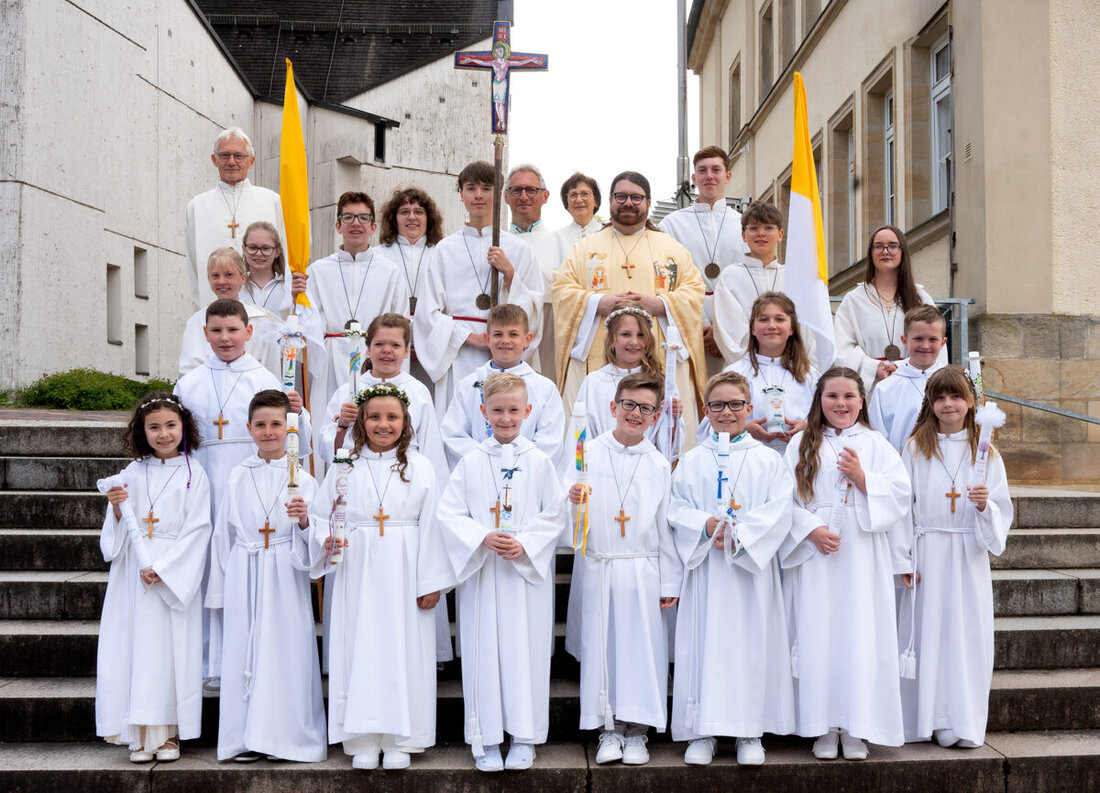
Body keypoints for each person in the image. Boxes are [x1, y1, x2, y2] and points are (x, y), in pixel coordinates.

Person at [310, 385, 455, 770]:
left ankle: (401, 738)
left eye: (392, 417)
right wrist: (326, 537)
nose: (383, 424)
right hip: (357, 565)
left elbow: (434, 525)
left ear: (406, 422)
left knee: (403, 648)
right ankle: (362, 737)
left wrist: (431, 581)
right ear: (361, 421)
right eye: (374, 416)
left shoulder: (421, 467)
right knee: (359, 645)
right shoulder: (344, 464)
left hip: (406, 567)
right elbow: (320, 514)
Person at [173, 298, 311, 689]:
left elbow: (295, 440)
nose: (225, 338)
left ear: (248, 333)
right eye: (216, 331)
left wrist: (299, 413)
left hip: (250, 488)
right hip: (203, 483)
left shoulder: (266, 379)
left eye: (233, 330)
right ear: (205, 335)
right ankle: (206, 661)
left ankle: (247, 659)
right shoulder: (189, 383)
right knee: (206, 569)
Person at [438, 373, 568, 773]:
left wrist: (526, 542)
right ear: (484, 413)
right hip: (484, 572)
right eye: (498, 411)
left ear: (528, 412)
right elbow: (449, 512)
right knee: (483, 654)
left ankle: (525, 737)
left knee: (525, 653)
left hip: (524, 575)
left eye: (514, 410)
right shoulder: (472, 462)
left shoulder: (540, 461)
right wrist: (482, 536)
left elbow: (555, 512)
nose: (506, 418)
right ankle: (486, 738)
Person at [780, 367, 911, 760]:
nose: (841, 404)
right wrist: (809, 529)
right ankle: (823, 725)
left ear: (861, 401)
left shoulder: (875, 443)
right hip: (818, 551)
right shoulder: (802, 442)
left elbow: (901, 494)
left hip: (861, 551)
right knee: (819, 633)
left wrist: (862, 478)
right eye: (832, 396)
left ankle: (857, 726)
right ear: (819, 400)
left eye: (849, 396)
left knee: (859, 634)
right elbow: (782, 497)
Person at [669, 372, 795, 766]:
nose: (727, 412)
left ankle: (748, 732)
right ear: (706, 410)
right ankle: (701, 731)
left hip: (748, 573)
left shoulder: (767, 460)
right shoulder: (691, 460)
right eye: (718, 405)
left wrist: (743, 533)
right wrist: (705, 526)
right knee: (705, 644)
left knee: (750, 647)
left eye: (735, 404)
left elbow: (780, 509)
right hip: (707, 568)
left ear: (749, 408)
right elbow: (674, 508)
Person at [315, 312, 453, 664]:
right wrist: (342, 425)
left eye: (395, 344)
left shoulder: (418, 392)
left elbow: (431, 452)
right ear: (367, 348)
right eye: (379, 344)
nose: (387, 351)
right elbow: (329, 451)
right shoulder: (349, 390)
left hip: (405, 489)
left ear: (408, 350)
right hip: (362, 496)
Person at [566, 373, 682, 767]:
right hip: (602, 565)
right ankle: (608, 729)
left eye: (645, 408)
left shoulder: (659, 465)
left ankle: (639, 731)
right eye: (629, 405)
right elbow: (567, 515)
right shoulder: (587, 454)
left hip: (643, 569)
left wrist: (670, 581)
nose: (635, 413)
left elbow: (666, 528)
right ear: (613, 407)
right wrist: (574, 501)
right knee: (604, 650)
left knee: (642, 651)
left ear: (655, 415)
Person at [206, 390, 325, 763]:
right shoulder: (237, 476)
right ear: (249, 428)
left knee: (286, 651)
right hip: (246, 568)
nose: (268, 431)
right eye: (261, 425)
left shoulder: (303, 480)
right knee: (246, 649)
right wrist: (221, 588)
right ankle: (244, 738)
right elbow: (223, 534)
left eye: (277, 424)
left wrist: (304, 519)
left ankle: (285, 738)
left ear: (290, 431)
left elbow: (318, 534)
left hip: (285, 572)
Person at [898, 367, 1012, 748]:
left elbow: (1000, 508)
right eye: (940, 397)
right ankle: (926, 719)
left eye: (956, 396)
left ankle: (960, 719)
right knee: (929, 635)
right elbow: (903, 508)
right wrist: (905, 558)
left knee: (964, 637)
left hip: (966, 555)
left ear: (970, 402)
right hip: (928, 552)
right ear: (930, 403)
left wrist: (983, 507)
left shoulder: (985, 452)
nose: (948, 404)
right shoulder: (916, 447)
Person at [96, 393, 211, 764]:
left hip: (171, 573)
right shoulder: (132, 473)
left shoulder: (196, 473)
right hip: (133, 572)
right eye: (154, 427)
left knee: (169, 653)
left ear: (184, 427)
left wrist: (164, 569)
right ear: (142, 432)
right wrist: (115, 506)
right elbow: (114, 535)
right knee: (135, 649)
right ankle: (139, 734)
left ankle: (168, 734)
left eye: (170, 425)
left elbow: (199, 529)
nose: (164, 434)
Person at [552, 170, 706, 441]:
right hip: (600, 363)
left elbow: (694, 290)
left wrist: (660, 304)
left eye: (636, 197)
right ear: (609, 201)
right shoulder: (585, 248)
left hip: (658, 359)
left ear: (648, 202)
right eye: (621, 196)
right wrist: (598, 302)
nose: (628, 203)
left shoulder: (672, 248)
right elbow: (562, 289)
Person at [414, 161, 543, 415]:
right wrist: (467, 337)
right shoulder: (444, 249)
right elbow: (428, 312)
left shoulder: (518, 249)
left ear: (499, 195)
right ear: (461, 194)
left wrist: (509, 274)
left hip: (503, 352)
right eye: (471, 188)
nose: (479, 195)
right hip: (458, 352)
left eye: (486, 188)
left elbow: (534, 309)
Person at [305, 191, 409, 414]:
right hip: (329, 361)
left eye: (363, 218)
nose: (355, 223)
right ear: (338, 226)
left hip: (373, 359)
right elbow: (309, 324)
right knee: (329, 422)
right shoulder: (317, 271)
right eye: (348, 217)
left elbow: (400, 325)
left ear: (373, 227)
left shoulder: (390, 272)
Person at [441, 303, 565, 470]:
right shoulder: (467, 385)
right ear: (487, 339)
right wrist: (486, 458)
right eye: (498, 334)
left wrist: (516, 462)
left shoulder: (545, 388)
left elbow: (550, 439)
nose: (505, 341)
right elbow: (454, 434)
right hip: (480, 471)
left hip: (526, 472)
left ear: (527, 339)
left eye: (513, 334)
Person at [659, 146, 745, 377]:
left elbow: (747, 282)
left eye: (716, 170)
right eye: (703, 170)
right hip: (685, 324)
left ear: (727, 176)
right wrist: (702, 326)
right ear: (694, 178)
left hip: (736, 327)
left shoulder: (744, 224)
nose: (710, 176)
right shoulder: (671, 225)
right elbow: (665, 283)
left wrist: (722, 330)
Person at [697, 292, 819, 453]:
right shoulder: (734, 373)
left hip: (796, 463)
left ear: (792, 329)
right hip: (747, 463)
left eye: (780, 319)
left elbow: (828, 424)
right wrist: (742, 429)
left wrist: (807, 427)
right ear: (753, 329)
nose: (771, 326)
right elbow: (707, 430)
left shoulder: (810, 375)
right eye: (763, 319)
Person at [185, 128, 288, 308]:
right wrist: (200, 308)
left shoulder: (273, 201)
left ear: (251, 161)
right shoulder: (197, 206)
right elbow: (193, 264)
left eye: (239, 156)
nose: (231, 162)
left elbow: (285, 255)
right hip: (214, 311)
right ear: (214, 160)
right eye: (224, 155)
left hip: (267, 308)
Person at [834, 226, 944, 392]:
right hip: (868, 389)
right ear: (871, 253)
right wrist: (874, 367)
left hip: (913, 386)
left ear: (902, 251)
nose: (885, 251)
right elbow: (842, 348)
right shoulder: (854, 300)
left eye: (892, 246)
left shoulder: (921, 298)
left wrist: (902, 367)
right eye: (879, 246)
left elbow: (936, 344)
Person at [572, 305, 684, 463]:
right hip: (602, 464)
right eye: (625, 334)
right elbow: (580, 434)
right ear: (612, 339)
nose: (634, 342)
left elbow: (669, 450)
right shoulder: (594, 381)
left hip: (645, 466)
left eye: (641, 335)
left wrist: (673, 419)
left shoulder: (661, 383)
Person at [375, 187, 445, 391]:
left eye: (419, 212)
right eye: (404, 212)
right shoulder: (378, 256)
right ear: (393, 218)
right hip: (390, 344)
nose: (412, 217)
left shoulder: (441, 253)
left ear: (429, 218)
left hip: (433, 344)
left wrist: (422, 341)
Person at [178, 248, 285, 378]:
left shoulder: (262, 321)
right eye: (215, 276)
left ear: (243, 278)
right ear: (209, 279)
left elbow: (271, 372)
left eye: (229, 275)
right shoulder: (196, 321)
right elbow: (189, 372)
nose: (221, 281)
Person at [711, 201, 795, 367]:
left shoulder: (792, 276)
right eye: (754, 228)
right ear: (743, 235)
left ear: (780, 234)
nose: (761, 234)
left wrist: (789, 362)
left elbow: (804, 330)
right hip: (747, 370)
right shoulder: (731, 277)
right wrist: (757, 364)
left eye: (769, 228)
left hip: (790, 367)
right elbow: (729, 333)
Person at [505, 164, 561, 381]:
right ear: (506, 197)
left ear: (545, 196)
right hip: (505, 335)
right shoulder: (495, 242)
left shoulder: (561, 242)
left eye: (531, 190)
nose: (524, 196)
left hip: (549, 333)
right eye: (516, 190)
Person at [868, 305, 949, 451]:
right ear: (904, 340)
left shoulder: (953, 383)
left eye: (933, 339)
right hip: (900, 466)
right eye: (918, 339)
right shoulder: (886, 388)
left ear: (943, 343)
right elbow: (876, 437)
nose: (925, 346)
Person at [240, 220, 294, 318]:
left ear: (277, 251)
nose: (259, 253)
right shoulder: (236, 286)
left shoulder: (289, 286)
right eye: (252, 247)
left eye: (265, 248)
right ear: (244, 249)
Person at [555, 172, 603, 257]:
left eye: (585, 194)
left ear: (596, 201)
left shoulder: (609, 234)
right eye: (573, 195)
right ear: (567, 204)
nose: (579, 200)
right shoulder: (556, 239)